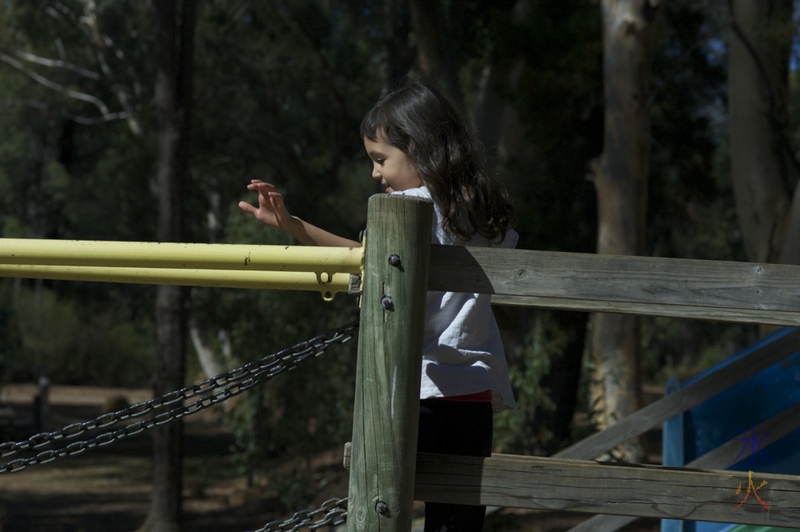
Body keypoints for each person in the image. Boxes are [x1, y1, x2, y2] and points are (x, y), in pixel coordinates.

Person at [239, 79, 518, 532]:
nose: (375, 173)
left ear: (421, 149)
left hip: (416, 389)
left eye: (380, 159)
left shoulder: (408, 209)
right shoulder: (481, 210)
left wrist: (293, 226)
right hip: (473, 394)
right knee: (458, 518)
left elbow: (368, 263)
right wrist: (295, 224)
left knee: (381, 503)